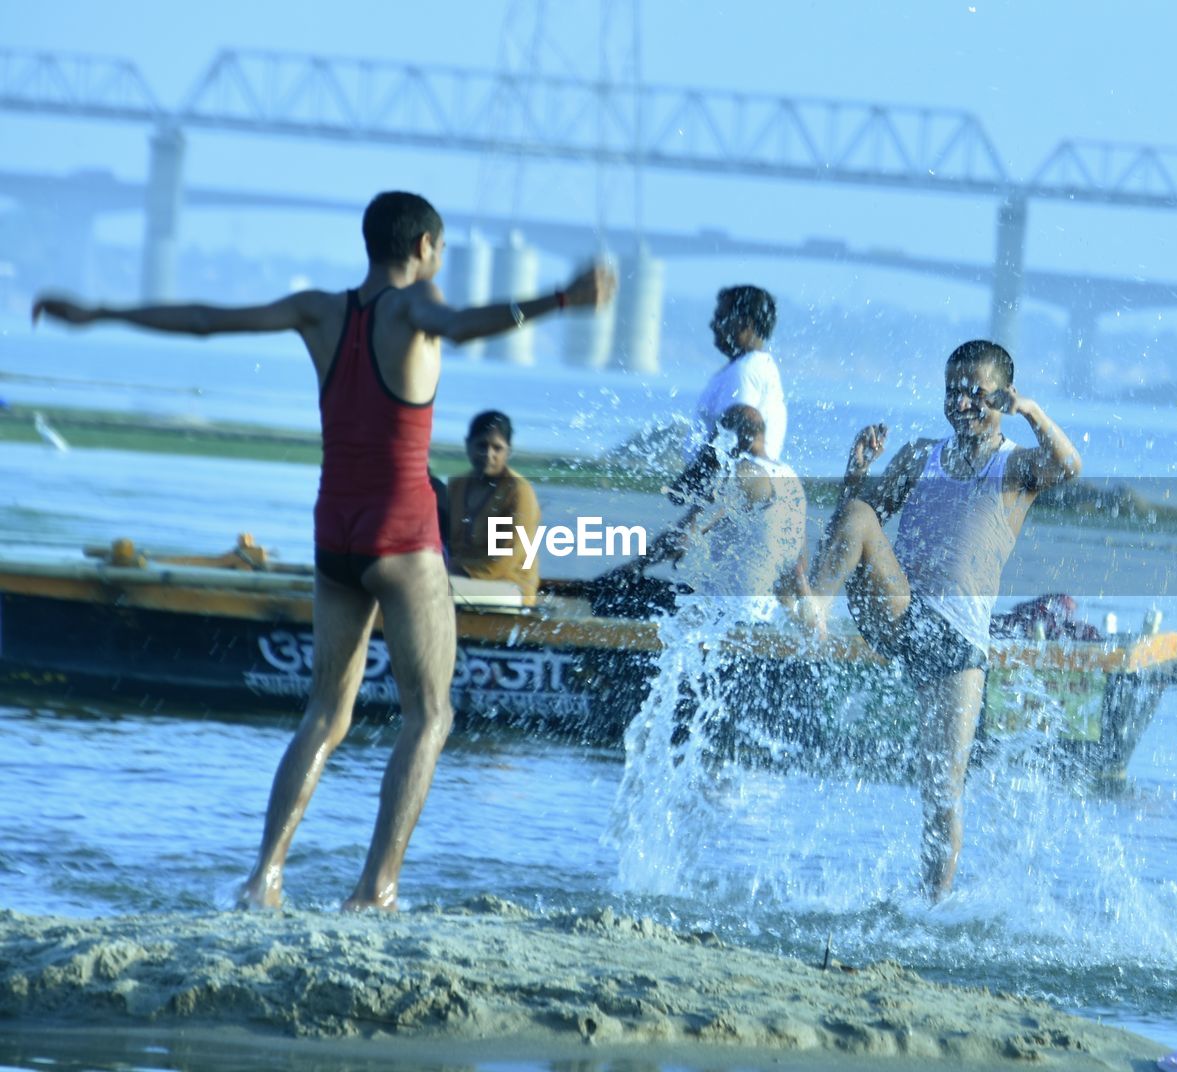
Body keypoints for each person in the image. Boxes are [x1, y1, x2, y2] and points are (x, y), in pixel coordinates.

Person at [32, 190, 616, 911]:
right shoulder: (412, 310)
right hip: (402, 539)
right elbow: (463, 326)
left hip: (334, 534)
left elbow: (207, 321)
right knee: (430, 716)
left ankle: (263, 879)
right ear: (426, 249)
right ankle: (375, 889)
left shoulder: (320, 309)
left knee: (324, 715)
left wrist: (99, 314)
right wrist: (563, 298)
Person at [805, 340, 1081, 901]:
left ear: (1001, 395)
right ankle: (814, 606)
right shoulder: (917, 457)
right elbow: (853, 528)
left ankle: (932, 905)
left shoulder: (1015, 468)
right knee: (858, 516)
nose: (961, 403)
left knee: (941, 794)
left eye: (975, 393)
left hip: (957, 647)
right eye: (952, 390)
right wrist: (854, 475)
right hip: (902, 614)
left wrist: (1029, 411)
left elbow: (1068, 466)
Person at [617, 404, 811, 623]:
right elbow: (799, 564)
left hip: (728, 613)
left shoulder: (743, 473)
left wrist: (635, 565)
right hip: (772, 616)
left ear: (734, 437)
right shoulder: (791, 479)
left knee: (623, 597)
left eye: (718, 437)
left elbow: (682, 537)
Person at [683, 285, 787, 480]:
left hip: (734, 491)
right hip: (741, 489)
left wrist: (701, 495)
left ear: (744, 324)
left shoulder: (745, 370)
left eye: (721, 317)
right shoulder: (757, 364)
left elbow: (742, 428)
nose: (713, 325)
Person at [446, 410, 541, 605]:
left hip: (510, 585)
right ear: (468, 444)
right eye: (481, 445)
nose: (488, 454)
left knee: (427, 589)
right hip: (455, 576)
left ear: (508, 451)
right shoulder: (456, 485)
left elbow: (504, 560)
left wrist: (451, 570)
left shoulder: (518, 491)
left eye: (497, 448)